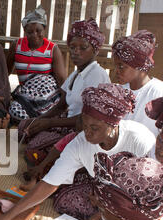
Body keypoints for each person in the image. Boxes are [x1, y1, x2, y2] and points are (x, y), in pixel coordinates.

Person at [0, 83, 156, 220]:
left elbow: (151, 192)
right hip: (102, 187)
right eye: (84, 123)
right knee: (62, 199)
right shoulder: (81, 142)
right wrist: (8, 216)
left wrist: (108, 208)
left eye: (94, 128)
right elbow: (49, 183)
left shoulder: (139, 141)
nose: (87, 132)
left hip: (135, 201)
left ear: (113, 125)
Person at [77, 93, 163, 220]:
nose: (162, 152)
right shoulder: (151, 158)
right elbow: (130, 197)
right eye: (161, 142)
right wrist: (109, 215)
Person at [19, 18, 110, 168]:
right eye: (73, 47)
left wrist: (49, 123)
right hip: (66, 121)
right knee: (24, 126)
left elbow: (88, 119)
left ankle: (53, 162)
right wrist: (39, 119)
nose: (76, 52)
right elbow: (61, 105)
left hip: (82, 129)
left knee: (34, 147)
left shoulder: (97, 75)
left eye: (83, 48)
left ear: (95, 49)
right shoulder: (77, 73)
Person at [6, 5, 67, 122]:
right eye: (30, 32)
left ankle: (40, 119)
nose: (34, 35)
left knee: (49, 110)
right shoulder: (16, 45)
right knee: (15, 111)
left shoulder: (52, 49)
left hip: (47, 95)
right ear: (24, 31)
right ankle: (37, 122)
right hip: (25, 95)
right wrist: (6, 94)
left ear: (44, 29)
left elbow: (61, 79)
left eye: (38, 31)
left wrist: (65, 104)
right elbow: (5, 72)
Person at [112, 30, 163, 137]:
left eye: (121, 66)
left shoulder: (161, 93)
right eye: (116, 66)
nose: (116, 71)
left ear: (139, 66)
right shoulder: (117, 91)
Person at [20, 116, 83, 191]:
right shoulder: (71, 137)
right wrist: (42, 166)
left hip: (67, 171)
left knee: (65, 179)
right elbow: (56, 150)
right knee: (31, 154)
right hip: (53, 163)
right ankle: (33, 179)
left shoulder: (91, 146)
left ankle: (42, 186)